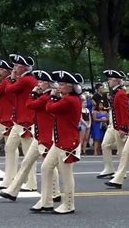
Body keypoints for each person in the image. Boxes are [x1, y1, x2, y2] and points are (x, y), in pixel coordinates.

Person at [0, 70, 61, 204]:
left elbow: (30, 104)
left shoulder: (46, 97)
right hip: (39, 135)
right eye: (38, 81)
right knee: (26, 162)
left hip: (45, 136)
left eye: (42, 82)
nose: (38, 84)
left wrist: (33, 94)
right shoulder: (44, 96)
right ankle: (12, 191)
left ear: (48, 84)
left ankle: (55, 192)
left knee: (48, 165)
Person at [36, 70, 83, 214]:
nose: (59, 87)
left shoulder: (70, 100)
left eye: (62, 84)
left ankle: (69, 205)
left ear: (70, 86)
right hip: (59, 141)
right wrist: (56, 97)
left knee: (66, 175)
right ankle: (46, 201)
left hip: (67, 142)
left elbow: (50, 108)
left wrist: (51, 96)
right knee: (45, 168)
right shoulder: (67, 98)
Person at [0, 54, 37, 191]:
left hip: (26, 121)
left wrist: (11, 78)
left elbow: (9, 89)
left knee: (28, 153)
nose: (15, 68)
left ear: (24, 68)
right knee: (10, 147)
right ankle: (9, 179)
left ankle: (31, 184)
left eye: (17, 66)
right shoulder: (24, 79)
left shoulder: (26, 80)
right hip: (19, 120)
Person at [97, 70, 129, 179]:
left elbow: (125, 112)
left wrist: (124, 127)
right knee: (105, 145)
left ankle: (122, 172)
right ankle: (109, 168)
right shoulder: (115, 92)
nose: (109, 81)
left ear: (117, 81)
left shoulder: (121, 93)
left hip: (119, 125)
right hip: (113, 124)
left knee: (121, 150)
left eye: (111, 79)